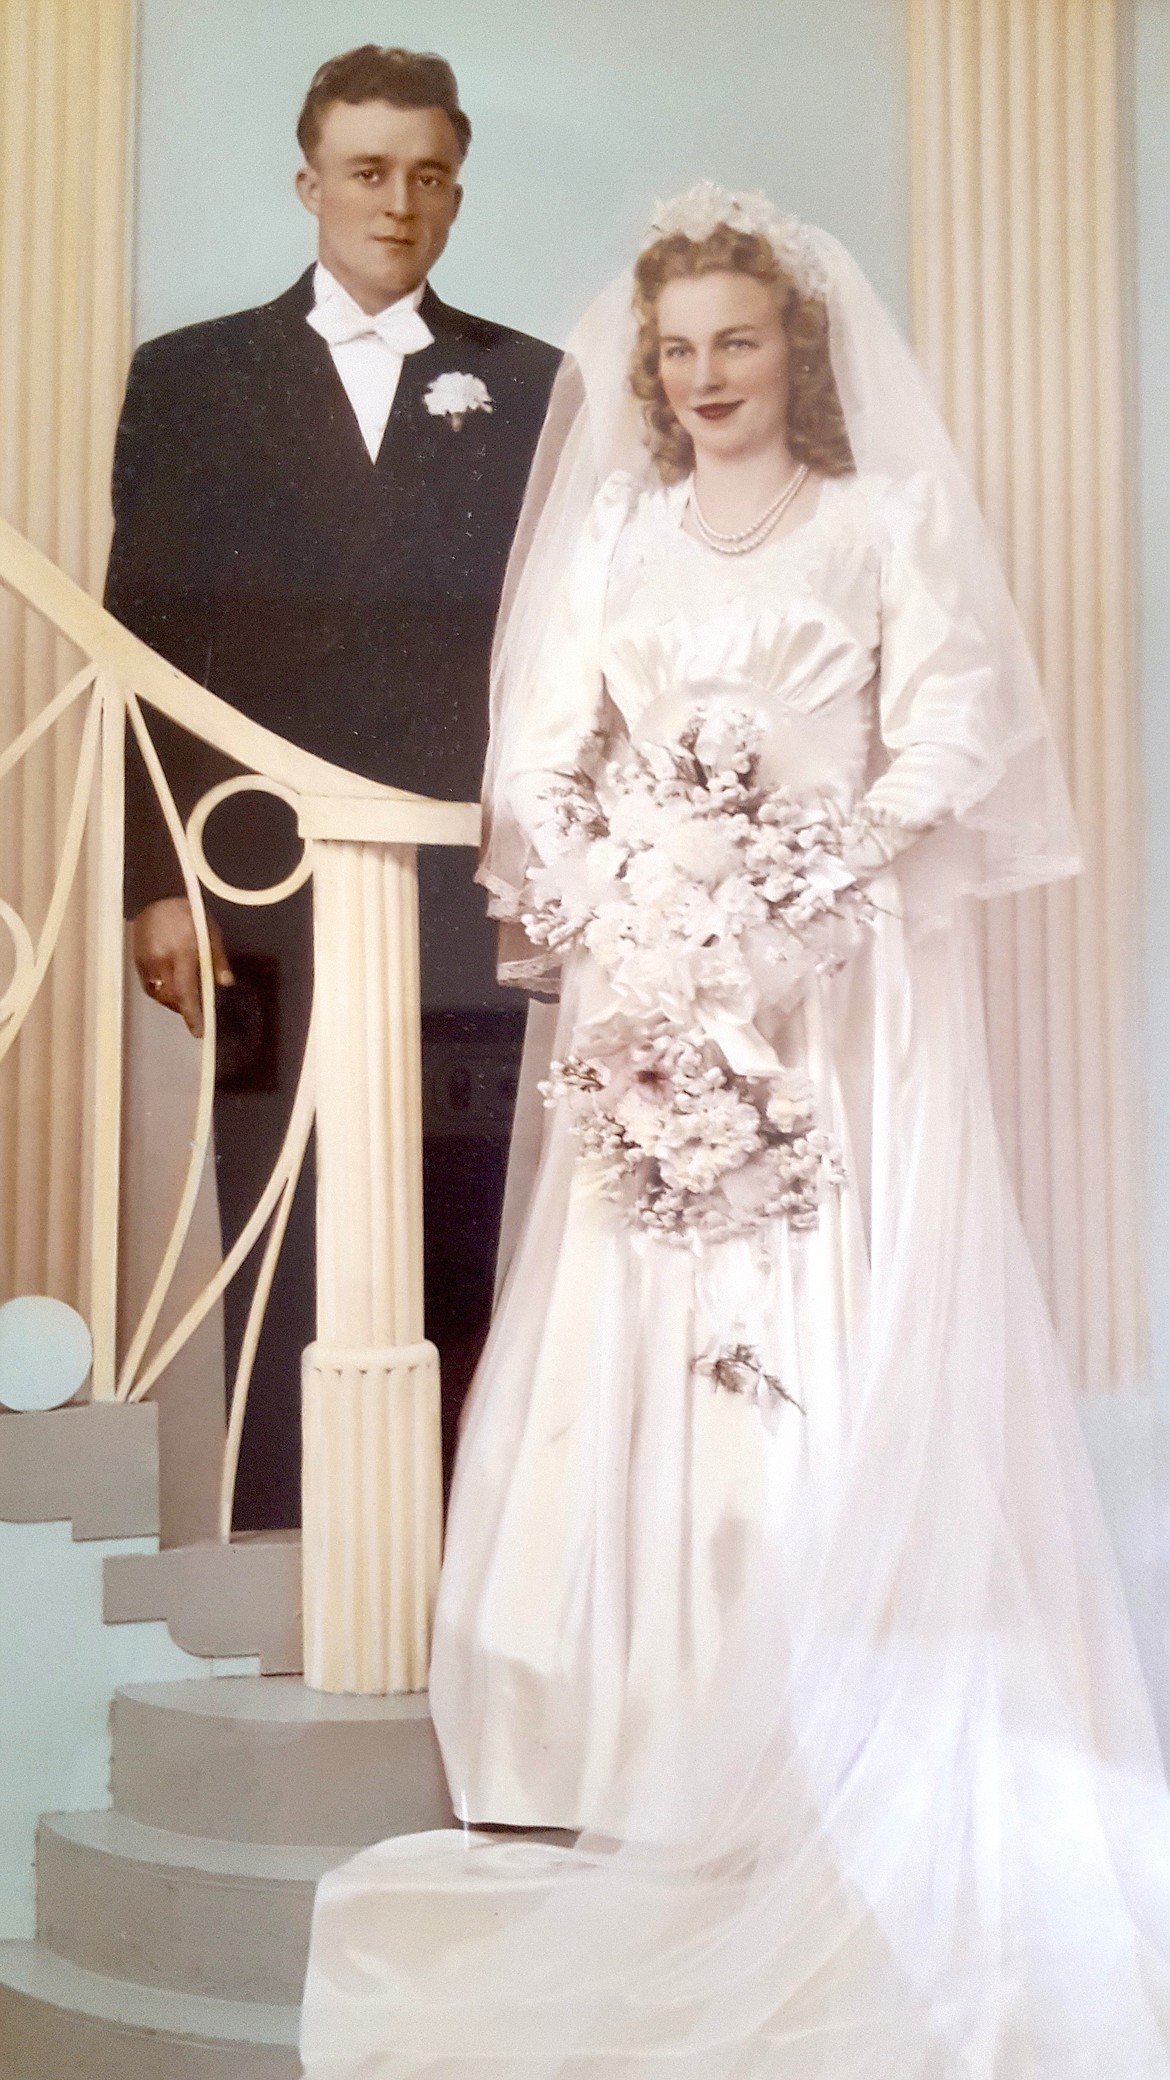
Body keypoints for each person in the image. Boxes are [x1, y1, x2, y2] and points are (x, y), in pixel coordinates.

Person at [299, 190, 1170, 2076]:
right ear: (651, 371)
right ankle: (606, 1729)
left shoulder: (885, 523)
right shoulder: (613, 531)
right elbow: (540, 757)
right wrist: (631, 897)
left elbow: (947, 740)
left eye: (738, 344)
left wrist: (793, 891)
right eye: (677, 349)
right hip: (648, 984)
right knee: (630, 1307)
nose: (703, 379)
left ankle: (811, 1720)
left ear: (799, 356)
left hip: (840, 991)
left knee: (823, 1296)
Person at [105, 46, 560, 1528]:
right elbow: (144, 639)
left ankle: (452, 1572)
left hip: (460, 880)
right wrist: (155, 878)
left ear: (457, 192)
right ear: (309, 184)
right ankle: (290, 1558)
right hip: (261, 880)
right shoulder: (189, 378)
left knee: (461, 1205)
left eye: (428, 175)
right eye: (368, 171)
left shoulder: (531, 384)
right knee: (279, 1202)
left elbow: (559, 642)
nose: (398, 201)